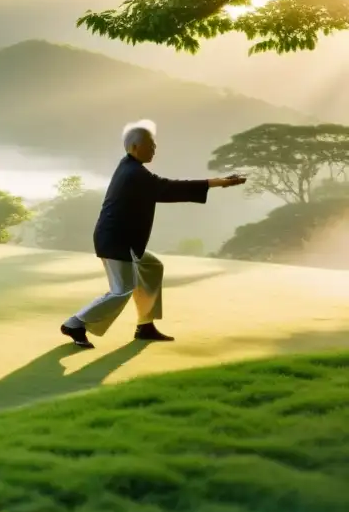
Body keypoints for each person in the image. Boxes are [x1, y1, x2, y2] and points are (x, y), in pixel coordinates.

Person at [60, 120, 246, 348]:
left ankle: (145, 325)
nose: (154, 149)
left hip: (122, 239)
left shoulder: (130, 167)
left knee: (152, 267)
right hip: (115, 241)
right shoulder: (134, 174)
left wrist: (220, 182)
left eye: (155, 145)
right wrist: (220, 182)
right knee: (122, 290)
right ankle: (75, 323)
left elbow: (163, 188)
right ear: (135, 147)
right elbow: (170, 188)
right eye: (150, 145)